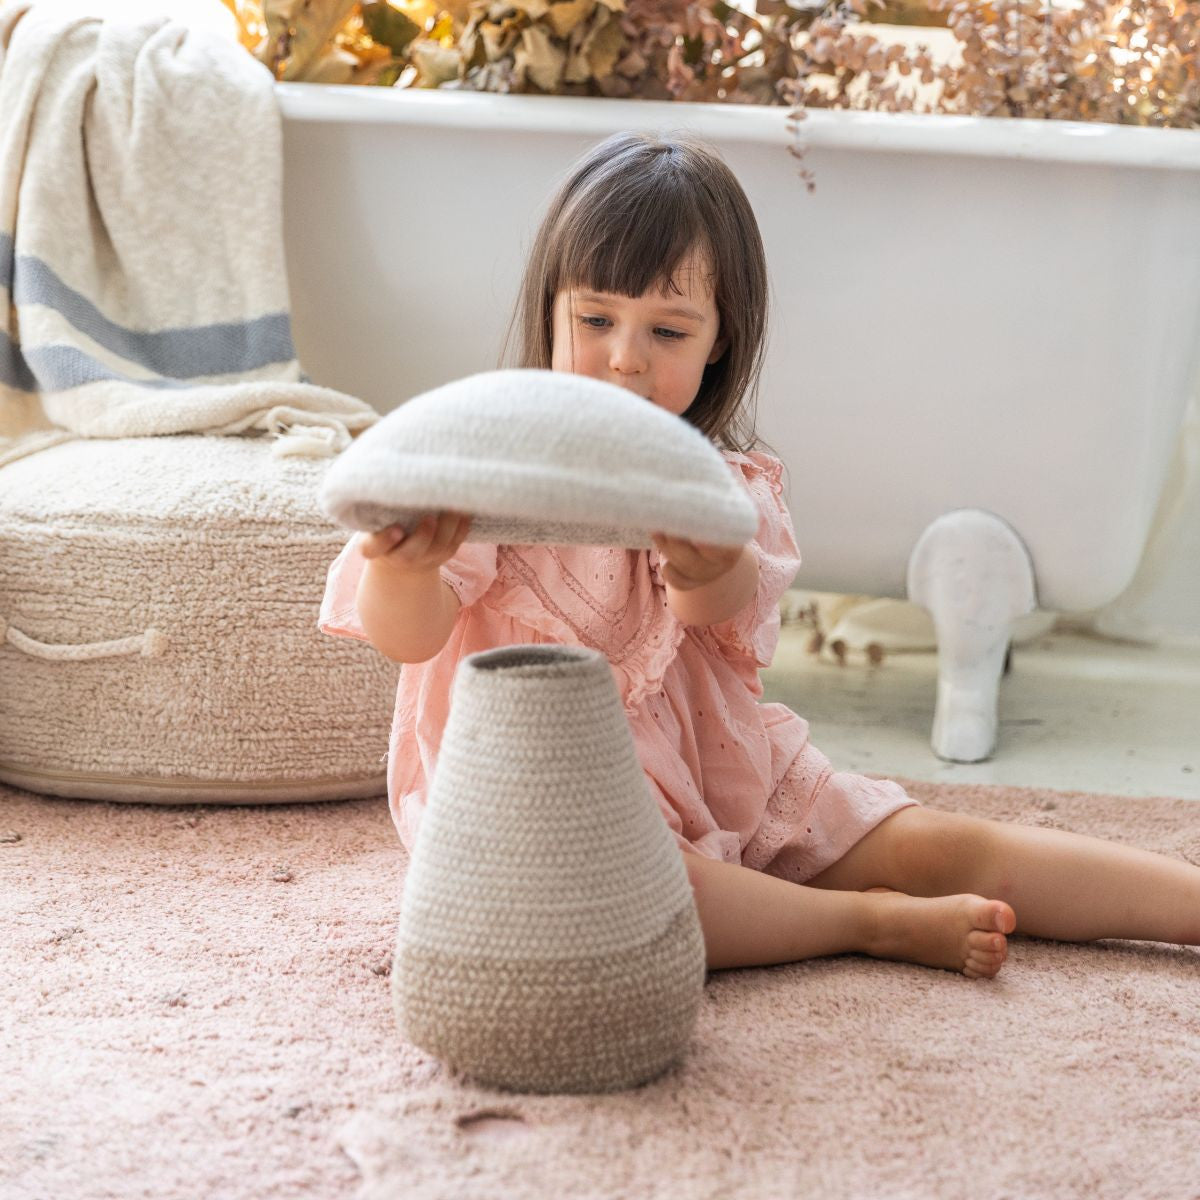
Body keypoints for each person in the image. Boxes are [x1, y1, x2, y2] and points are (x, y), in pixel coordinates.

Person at [319, 131, 1200, 979]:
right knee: (629, 900)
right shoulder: (485, 468)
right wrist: (406, 566)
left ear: (719, 343)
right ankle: (864, 925)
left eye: (668, 333)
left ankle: (1184, 903)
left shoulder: (728, 486)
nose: (625, 360)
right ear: (551, 307)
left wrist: (705, 564)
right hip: (539, 801)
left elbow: (720, 608)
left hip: (721, 770)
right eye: (596, 319)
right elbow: (410, 636)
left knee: (943, 845)